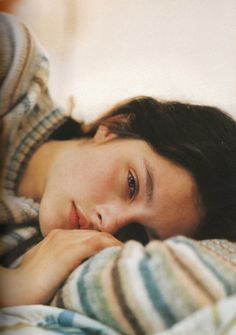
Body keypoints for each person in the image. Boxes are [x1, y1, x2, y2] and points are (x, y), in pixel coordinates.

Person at [0, 13, 236, 307]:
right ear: (114, 126)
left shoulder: (48, 261)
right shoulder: (13, 68)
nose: (109, 223)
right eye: (132, 184)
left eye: (137, 233)